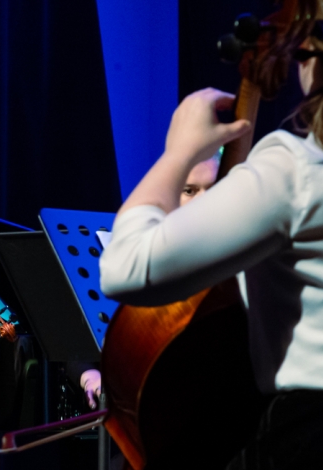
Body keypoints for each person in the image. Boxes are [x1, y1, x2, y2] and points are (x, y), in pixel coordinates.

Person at [57, 0, 323, 470]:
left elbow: (128, 267)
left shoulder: (300, 170)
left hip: (319, 469)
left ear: (313, 52)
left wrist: (179, 153)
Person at [79, 150, 221, 410]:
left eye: (212, 189)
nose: (203, 200)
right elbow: (85, 339)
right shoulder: (146, 262)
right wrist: (90, 375)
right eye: (190, 190)